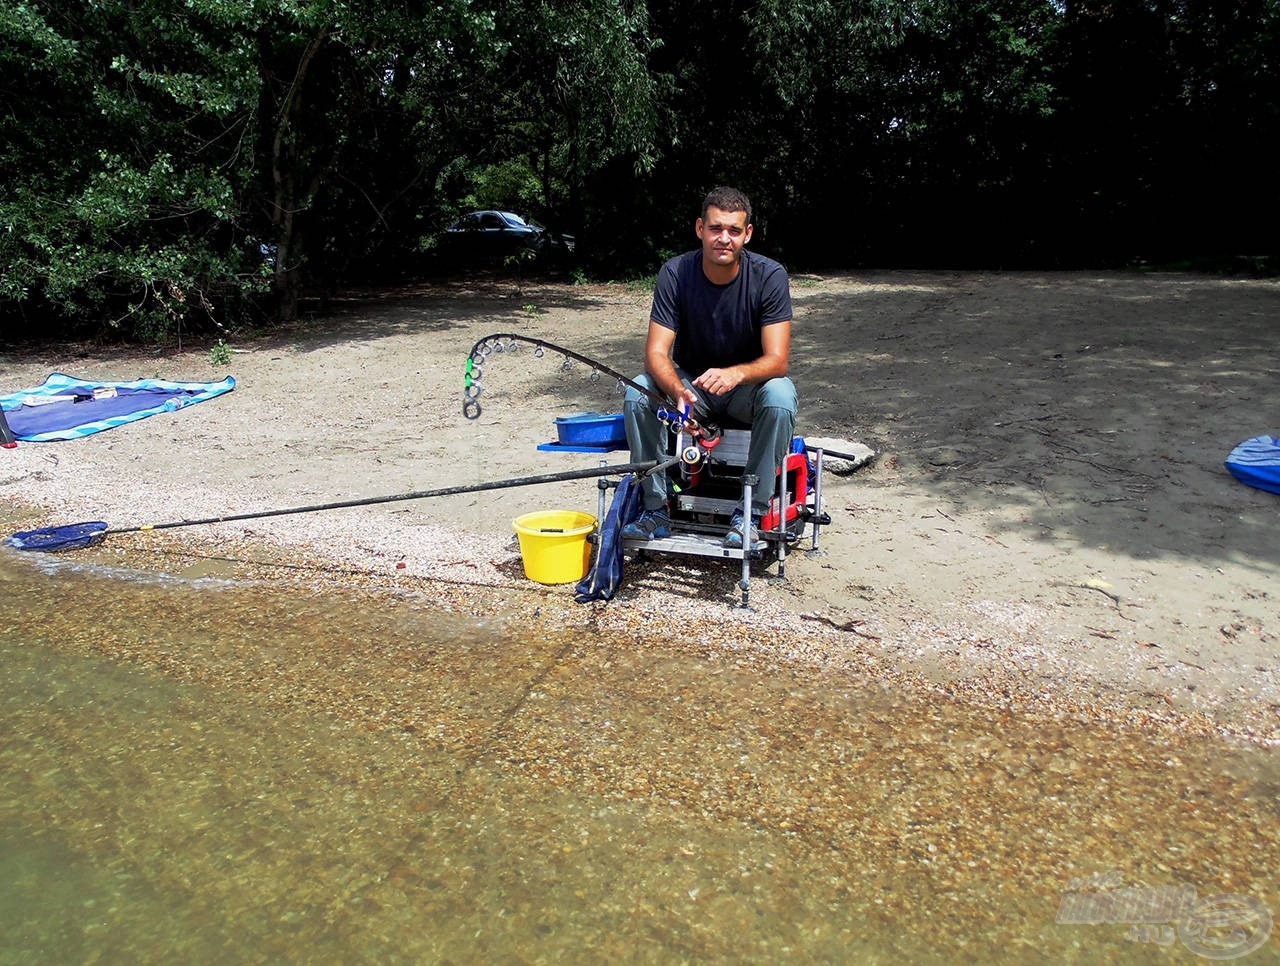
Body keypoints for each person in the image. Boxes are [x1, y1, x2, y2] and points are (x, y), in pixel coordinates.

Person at [621, 186, 797, 549]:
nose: (724, 239)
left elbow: (778, 361)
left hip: (746, 389)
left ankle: (751, 510)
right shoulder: (675, 273)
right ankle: (655, 509)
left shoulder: (770, 275)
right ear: (700, 228)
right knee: (637, 393)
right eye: (716, 228)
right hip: (693, 386)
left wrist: (736, 373)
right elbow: (655, 354)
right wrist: (678, 393)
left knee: (781, 395)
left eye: (734, 230)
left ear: (747, 234)